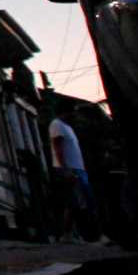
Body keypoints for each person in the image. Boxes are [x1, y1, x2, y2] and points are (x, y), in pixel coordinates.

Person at [48, 101, 96, 243]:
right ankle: (73, 234)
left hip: (77, 168)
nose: (74, 115)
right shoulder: (57, 125)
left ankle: (70, 234)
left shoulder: (67, 127)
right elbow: (58, 148)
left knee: (78, 202)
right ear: (66, 112)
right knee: (76, 202)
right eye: (72, 112)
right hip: (70, 169)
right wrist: (65, 169)